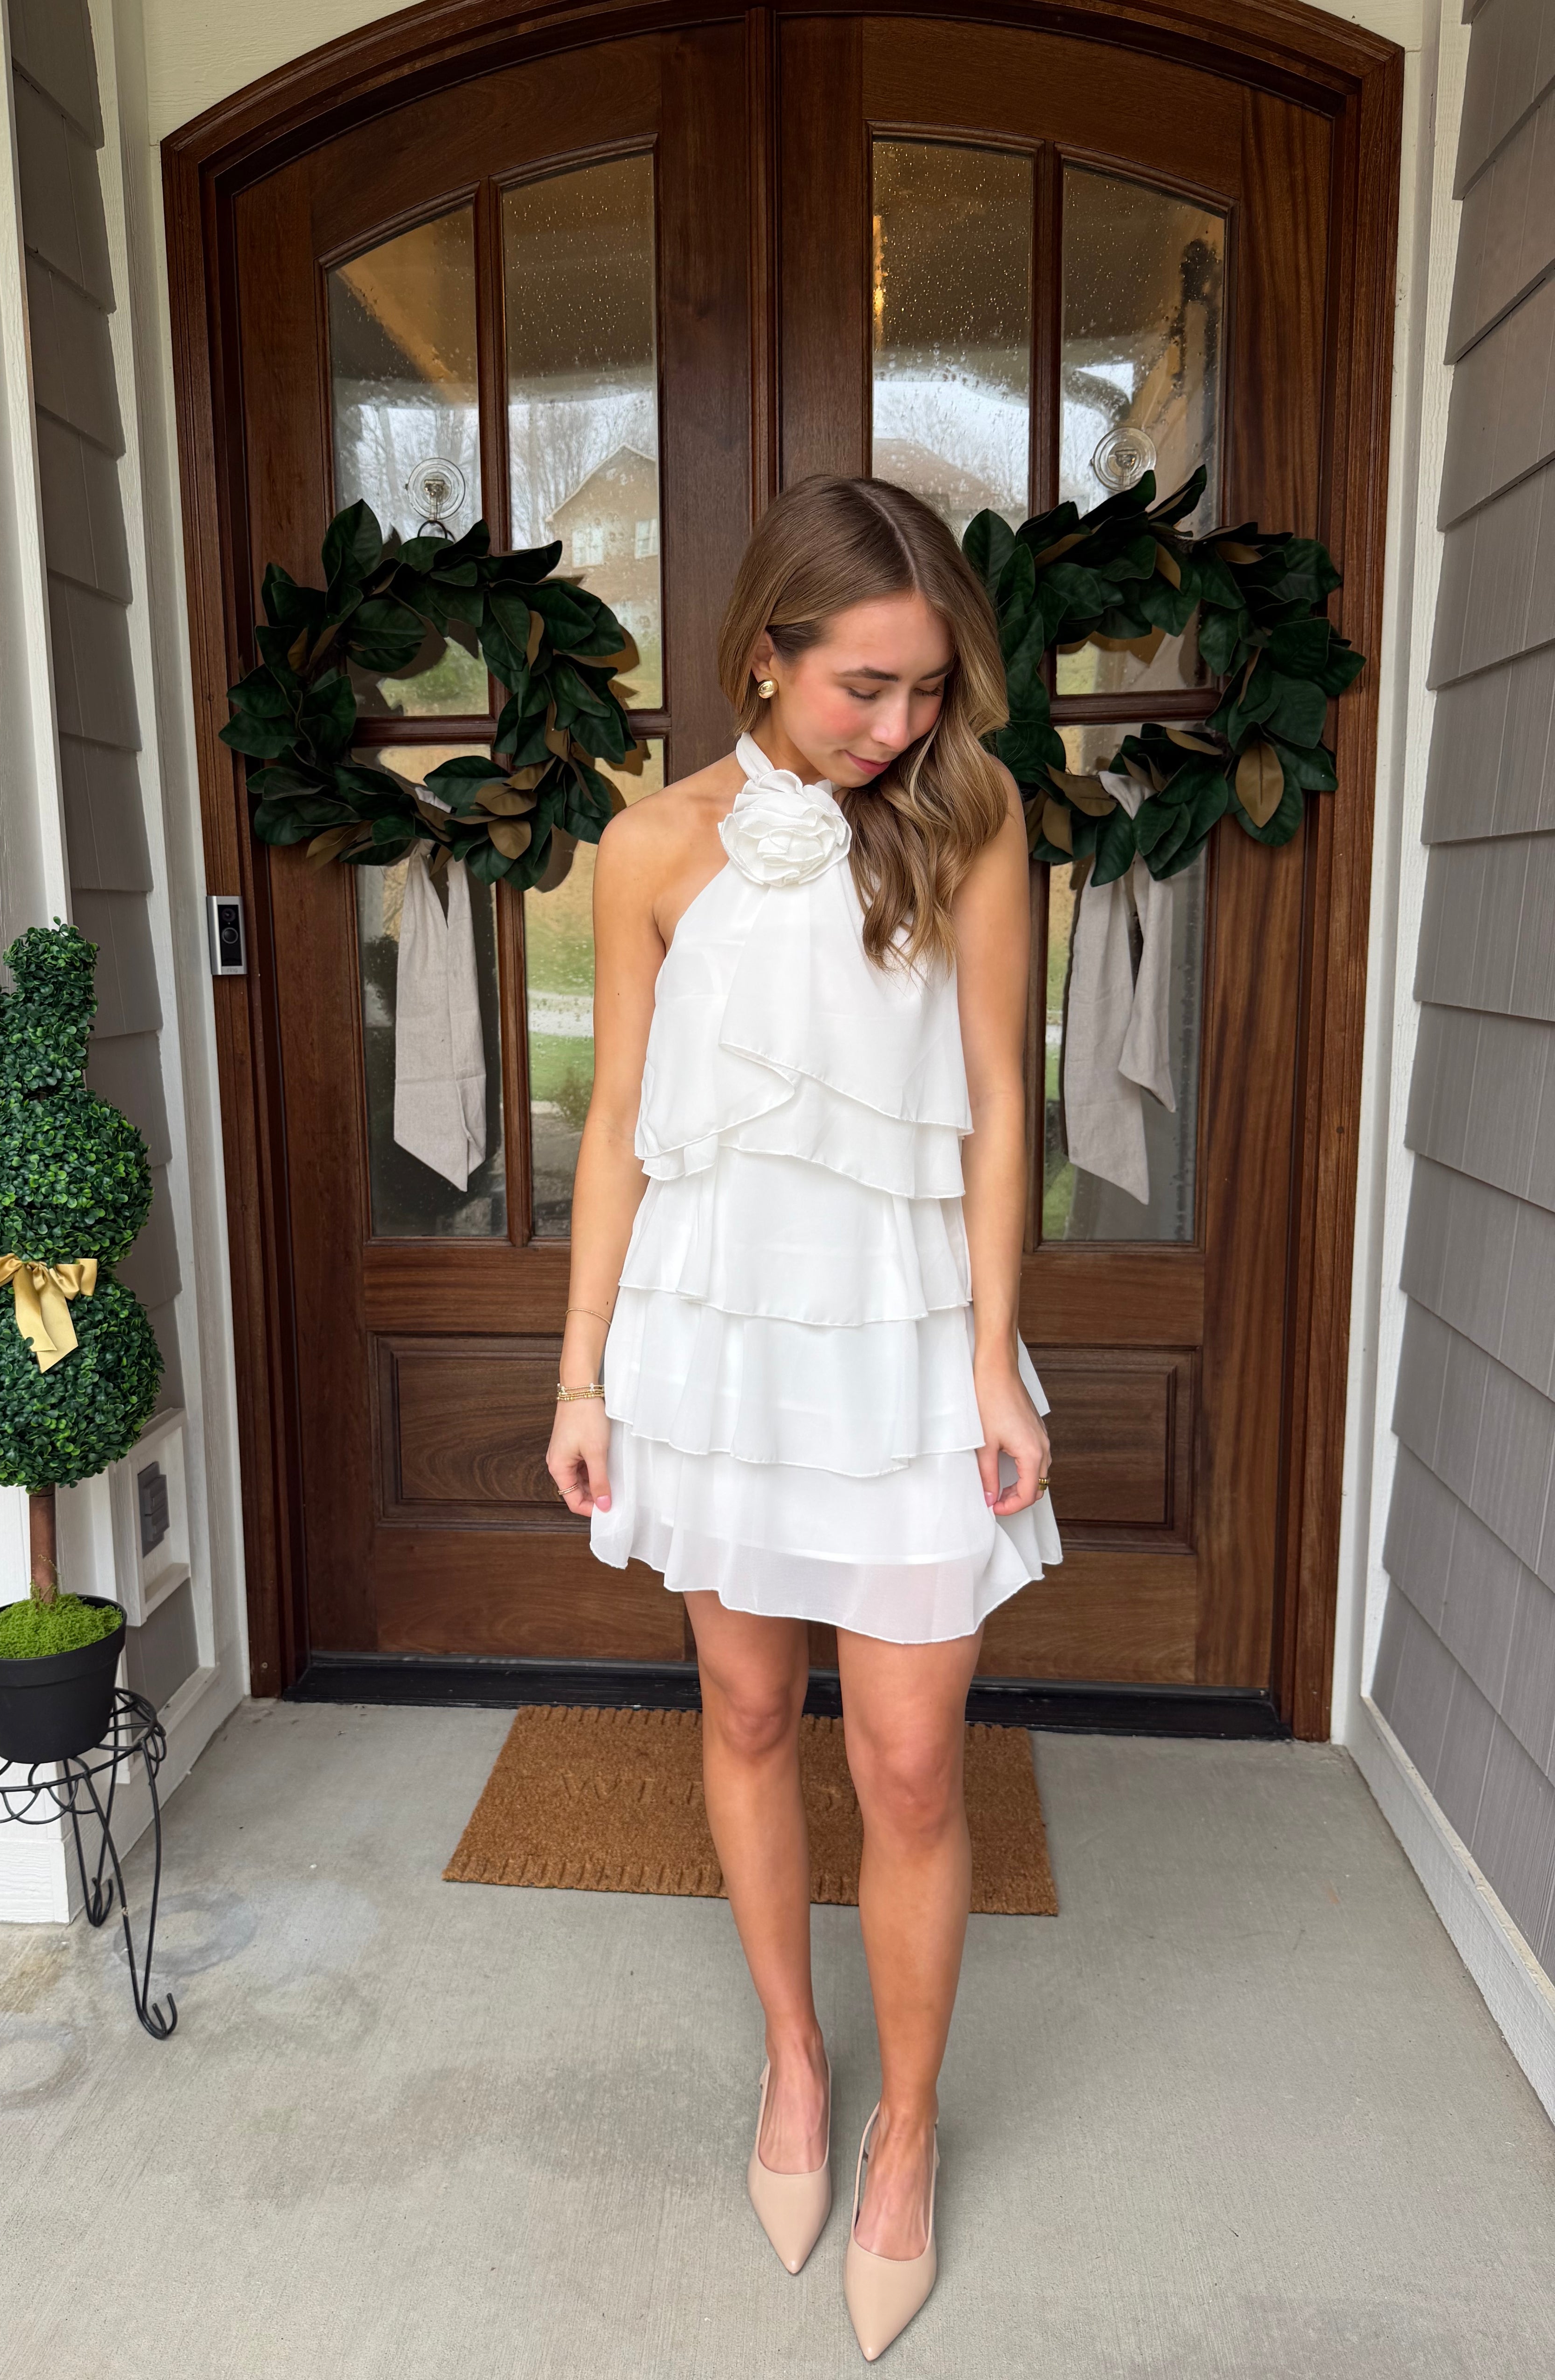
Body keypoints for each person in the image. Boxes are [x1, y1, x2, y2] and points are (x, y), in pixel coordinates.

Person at [545, 473, 1062, 2362]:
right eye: (862, 685)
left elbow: (1003, 1098)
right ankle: (791, 2059)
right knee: (752, 1708)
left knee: (914, 1761)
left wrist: (995, 1354)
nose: (899, 725)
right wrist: (584, 1367)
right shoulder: (653, 850)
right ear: (763, 651)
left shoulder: (972, 819)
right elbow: (616, 1122)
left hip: (910, 1334)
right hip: (718, 1344)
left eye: (926, 687)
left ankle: (907, 2131)